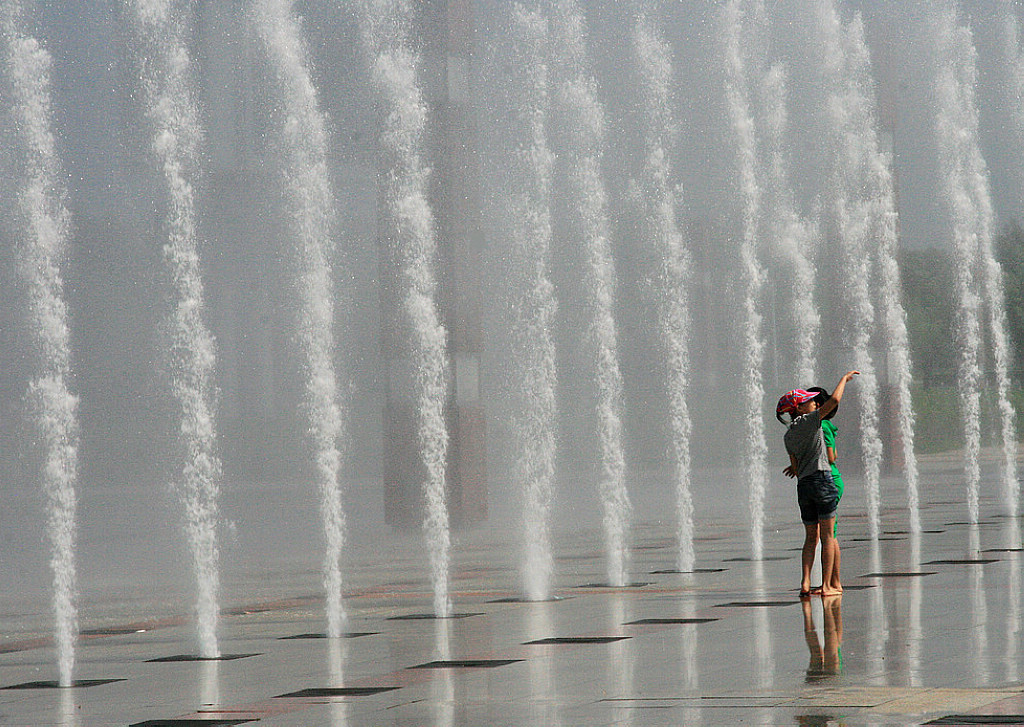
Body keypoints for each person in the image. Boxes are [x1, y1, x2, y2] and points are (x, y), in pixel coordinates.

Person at [776, 371, 859, 598]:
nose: (814, 402)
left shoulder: (788, 435)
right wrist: (843, 379)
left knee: (810, 537)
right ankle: (828, 585)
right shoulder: (811, 422)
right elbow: (833, 402)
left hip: (804, 486)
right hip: (822, 479)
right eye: (808, 402)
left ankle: (805, 583)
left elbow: (794, 466)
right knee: (828, 537)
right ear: (799, 409)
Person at [807, 386, 843, 594]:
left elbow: (831, 456)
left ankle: (832, 583)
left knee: (829, 536)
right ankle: (833, 582)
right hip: (829, 479)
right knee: (830, 535)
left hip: (829, 480)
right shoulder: (824, 425)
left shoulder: (824, 426)